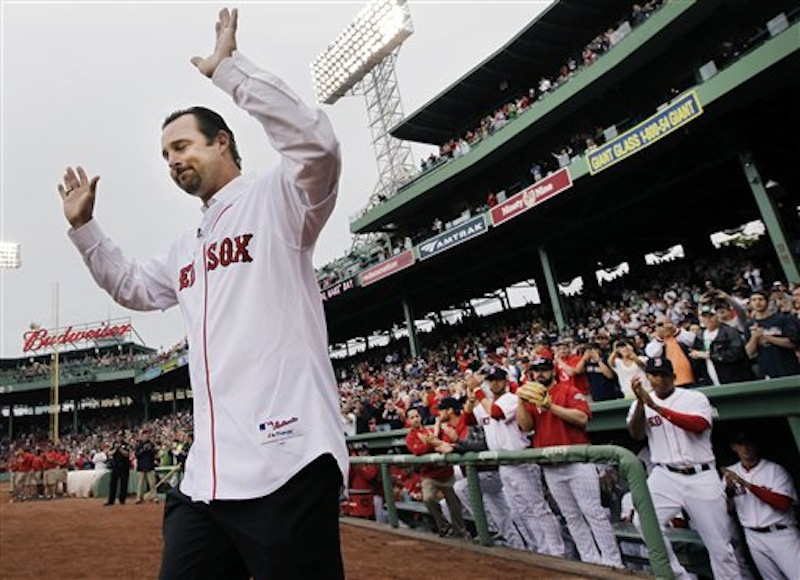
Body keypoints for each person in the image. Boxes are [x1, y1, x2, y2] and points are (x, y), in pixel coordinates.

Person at [58, 9, 347, 578]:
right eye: (165, 155)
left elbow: (319, 147)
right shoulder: (188, 243)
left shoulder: (279, 200)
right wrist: (85, 230)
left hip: (285, 462)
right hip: (206, 477)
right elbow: (134, 287)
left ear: (222, 142)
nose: (172, 161)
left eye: (182, 145)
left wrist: (231, 72)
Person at [626, 357, 741, 579]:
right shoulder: (641, 403)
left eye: (662, 375)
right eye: (652, 375)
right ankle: (680, 576)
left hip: (701, 475)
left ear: (673, 377)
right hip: (664, 474)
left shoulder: (694, 398)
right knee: (642, 522)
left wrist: (655, 407)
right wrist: (641, 403)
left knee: (720, 547)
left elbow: (698, 426)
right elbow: (636, 433)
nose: (657, 379)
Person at [517, 356, 622, 568]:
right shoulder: (533, 397)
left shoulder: (568, 389)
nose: (539, 374)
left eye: (544, 370)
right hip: (551, 466)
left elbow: (582, 418)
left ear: (553, 371)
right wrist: (521, 401)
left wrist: (550, 406)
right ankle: (590, 560)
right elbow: (525, 426)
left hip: (577, 461)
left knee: (594, 513)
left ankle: (613, 563)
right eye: (535, 371)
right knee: (571, 516)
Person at [467, 366, 565, 557]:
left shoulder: (511, 399)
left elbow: (496, 413)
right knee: (520, 511)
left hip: (521, 459)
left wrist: (478, 391)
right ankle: (540, 548)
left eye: (497, 380)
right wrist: (471, 395)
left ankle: (557, 551)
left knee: (538, 508)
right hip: (504, 464)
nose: (494, 384)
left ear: (505, 382)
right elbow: (469, 419)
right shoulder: (485, 402)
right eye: (490, 380)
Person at [724, 432, 800, 580]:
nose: (745, 448)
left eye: (749, 443)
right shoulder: (730, 473)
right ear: (734, 447)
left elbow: (783, 503)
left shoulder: (774, 470)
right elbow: (727, 510)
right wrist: (729, 492)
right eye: (740, 444)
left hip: (781, 534)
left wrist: (746, 484)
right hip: (753, 536)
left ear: (756, 445)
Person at [404, 408, 470, 540]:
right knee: (428, 499)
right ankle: (444, 526)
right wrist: (431, 442)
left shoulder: (429, 430)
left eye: (417, 416)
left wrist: (431, 440)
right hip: (429, 474)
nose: (416, 419)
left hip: (445, 471)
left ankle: (460, 531)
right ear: (408, 421)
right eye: (412, 417)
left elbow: (444, 443)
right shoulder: (410, 437)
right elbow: (419, 450)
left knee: (454, 504)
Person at [745, 290, 800, 378]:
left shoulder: (782, 319)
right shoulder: (749, 325)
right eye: (754, 300)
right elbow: (749, 352)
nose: (757, 302)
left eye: (760, 299)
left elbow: (792, 343)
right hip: (767, 370)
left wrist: (766, 337)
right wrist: (755, 337)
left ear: (767, 301)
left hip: (789, 367)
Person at [106, 435, 131, 506]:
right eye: (118, 436)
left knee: (123, 483)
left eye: (120, 436)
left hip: (124, 466)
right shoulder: (113, 444)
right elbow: (109, 453)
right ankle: (111, 500)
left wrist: (120, 449)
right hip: (115, 466)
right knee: (113, 483)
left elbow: (127, 454)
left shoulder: (126, 445)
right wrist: (116, 449)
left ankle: (122, 500)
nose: (119, 438)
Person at [134, 430, 158, 504]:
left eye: (147, 435)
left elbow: (155, 453)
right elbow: (137, 454)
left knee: (152, 483)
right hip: (141, 466)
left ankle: (154, 497)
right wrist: (143, 450)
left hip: (150, 465)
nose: (146, 436)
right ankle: (138, 498)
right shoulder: (139, 444)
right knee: (140, 484)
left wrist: (150, 449)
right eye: (144, 435)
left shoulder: (151, 444)